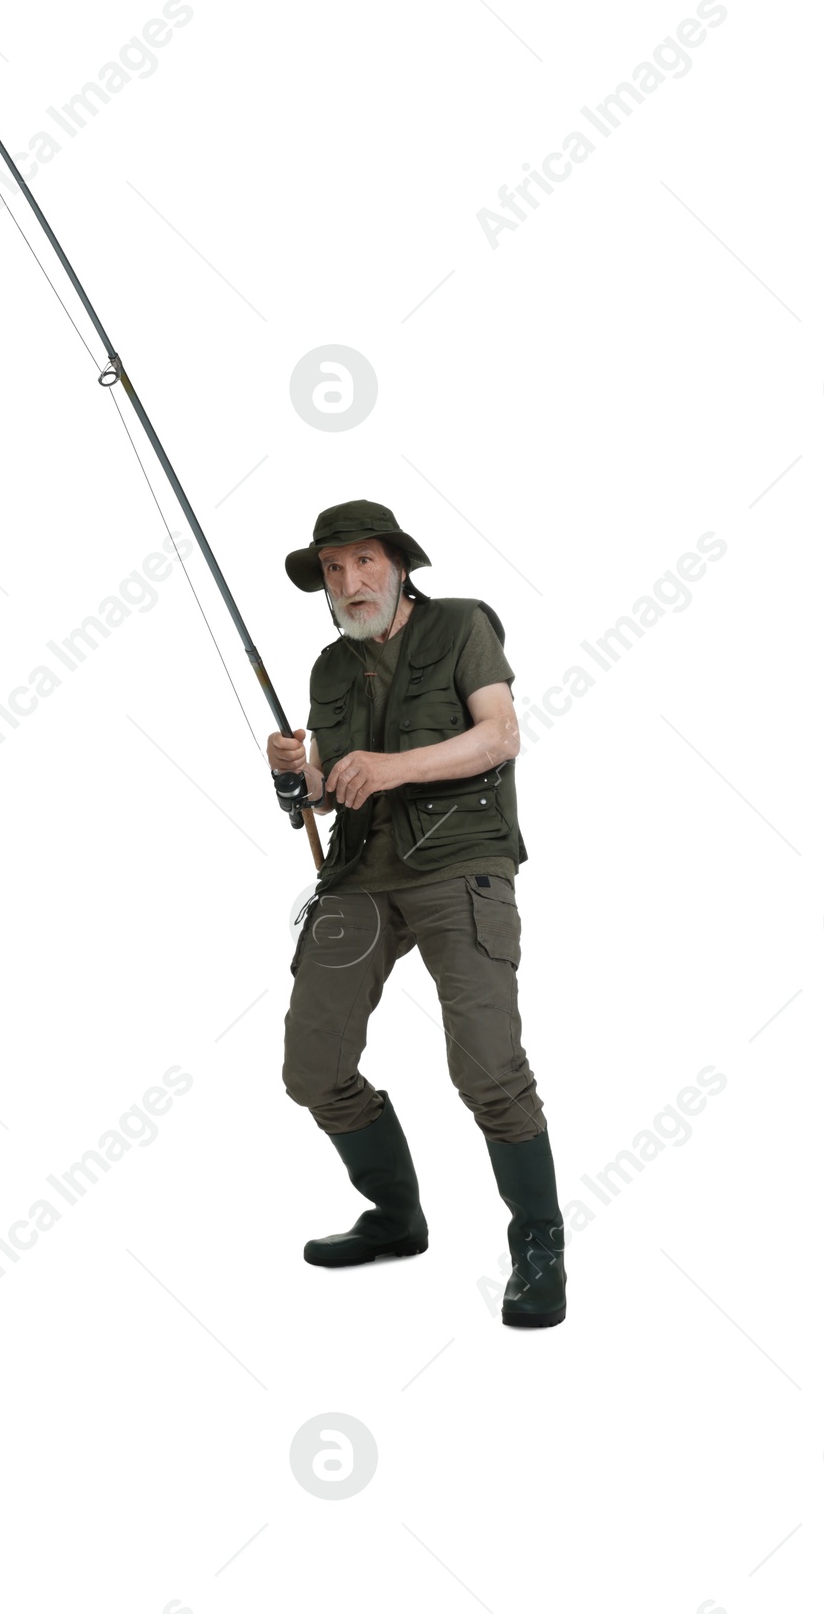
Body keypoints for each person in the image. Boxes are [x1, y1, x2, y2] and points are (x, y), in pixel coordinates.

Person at [268, 500, 565, 1327]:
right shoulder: (330, 668)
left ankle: (539, 1245)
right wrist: (296, 772)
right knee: (311, 1069)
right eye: (332, 569)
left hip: (461, 866)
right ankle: (396, 1218)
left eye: (363, 562)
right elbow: (324, 795)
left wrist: (390, 768)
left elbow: (499, 736)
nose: (348, 581)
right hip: (361, 876)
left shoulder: (464, 625)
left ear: (399, 564)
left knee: (488, 1069)